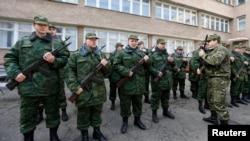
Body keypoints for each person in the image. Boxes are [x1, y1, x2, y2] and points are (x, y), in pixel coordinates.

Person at [4, 15, 69, 141]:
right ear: (34, 25)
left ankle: (53, 136)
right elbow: (9, 58)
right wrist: (15, 73)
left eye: (45, 25)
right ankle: (28, 138)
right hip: (28, 88)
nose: (43, 27)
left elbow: (65, 60)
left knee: (53, 114)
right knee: (27, 116)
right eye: (40, 24)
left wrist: (54, 60)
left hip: (50, 87)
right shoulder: (23, 42)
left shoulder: (56, 43)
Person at [64, 33, 111, 141]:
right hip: (83, 91)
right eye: (91, 39)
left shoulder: (100, 55)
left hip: (98, 91)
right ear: (85, 41)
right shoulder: (76, 55)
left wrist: (106, 65)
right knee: (83, 114)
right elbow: (69, 72)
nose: (94, 41)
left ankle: (97, 132)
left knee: (97, 113)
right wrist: (75, 87)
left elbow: (108, 72)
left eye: (95, 40)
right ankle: (84, 134)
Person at [113, 35, 149, 134]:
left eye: (135, 41)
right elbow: (115, 65)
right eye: (132, 41)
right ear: (128, 41)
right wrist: (126, 71)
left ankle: (137, 121)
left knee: (138, 105)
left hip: (139, 84)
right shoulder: (121, 53)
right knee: (125, 105)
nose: (134, 42)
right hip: (127, 84)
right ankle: (125, 123)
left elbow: (148, 67)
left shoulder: (141, 54)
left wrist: (147, 60)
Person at [36, 23, 69, 124]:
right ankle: (40, 113)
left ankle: (63, 111)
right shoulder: (40, 41)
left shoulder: (60, 42)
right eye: (49, 29)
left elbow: (66, 55)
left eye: (53, 29)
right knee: (41, 92)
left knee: (60, 92)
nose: (51, 31)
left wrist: (55, 59)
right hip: (42, 72)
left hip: (58, 71)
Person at [199, 34, 230, 125]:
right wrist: (202, 69)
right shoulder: (213, 51)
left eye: (209, 41)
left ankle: (224, 124)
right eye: (207, 42)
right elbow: (209, 64)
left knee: (219, 102)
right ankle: (213, 118)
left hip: (219, 79)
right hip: (212, 78)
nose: (208, 43)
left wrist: (203, 55)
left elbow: (215, 61)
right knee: (211, 100)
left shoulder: (222, 49)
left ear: (216, 40)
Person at [149, 38, 175, 123]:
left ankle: (165, 111)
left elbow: (173, 66)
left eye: (164, 44)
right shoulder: (153, 55)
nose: (163, 45)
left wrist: (172, 61)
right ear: (157, 44)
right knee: (155, 98)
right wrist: (156, 72)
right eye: (161, 44)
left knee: (166, 98)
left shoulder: (166, 55)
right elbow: (149, 67)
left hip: (167, 81)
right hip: (158, 81)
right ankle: (154, 114)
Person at [109, 42, 124, 110]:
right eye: (120, 46)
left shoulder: (124, 54)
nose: (121, 47)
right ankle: (113, 102)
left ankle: (122, 102)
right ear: (117, 47)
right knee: (113, 90)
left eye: (122, 46)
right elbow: (111, 63)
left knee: (121, 91)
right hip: (113, 76)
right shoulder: (112, 54)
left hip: (121, 76)